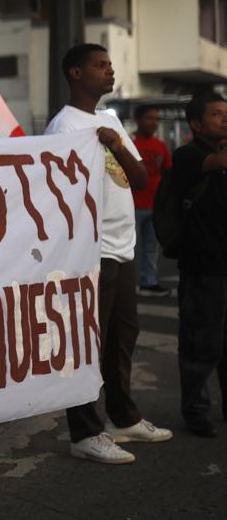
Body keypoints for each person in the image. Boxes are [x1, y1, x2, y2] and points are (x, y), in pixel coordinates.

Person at [44, 44, 172, 464]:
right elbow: (57, 195)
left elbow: (139, 177)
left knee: (121, 338)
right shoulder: (63, 126)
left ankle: (123, 417)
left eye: (110, 65)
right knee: (87, 343)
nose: (110, 71)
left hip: (122, 245)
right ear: (75, 73)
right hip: (91, 251)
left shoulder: (111, 120)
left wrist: (115, 143)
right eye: (100, 65)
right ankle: (84, 432)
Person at [168, 91, 227, 437]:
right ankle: (196, 411)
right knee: (200, 343)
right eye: (217, 114)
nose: (224, 118)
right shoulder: (188, 155)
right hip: (203, 268)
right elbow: (215, 163)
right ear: (196, 124)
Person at [131, 105, 172, 297]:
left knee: (151, 248)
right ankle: (125, 285)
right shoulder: (129, 142)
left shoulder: (160, 145)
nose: (154, 123)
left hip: (154, 205)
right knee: (127, 249)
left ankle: (149, 281)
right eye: (149, 118)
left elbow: (168, 174)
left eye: (156, 119)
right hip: (131, 206)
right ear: (138, 120)